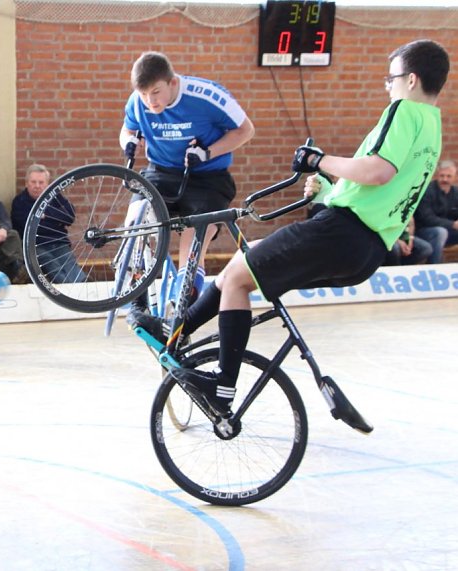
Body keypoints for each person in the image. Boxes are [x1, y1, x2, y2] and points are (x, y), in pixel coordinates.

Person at [141, 39, 449, 418]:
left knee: (237, 277)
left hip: (340, 232)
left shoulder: (403, 110)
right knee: (244, 257)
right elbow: (381, 188)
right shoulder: (434, 129)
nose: (388, 86)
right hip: (364, 249)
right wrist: (328, 187)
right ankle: (176, 330)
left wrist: (320, 159)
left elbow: (377, 170)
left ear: (412, 79)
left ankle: (221, 388)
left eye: (392, 78)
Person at [121, 51, 254, 323]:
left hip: (207, 177)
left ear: (172, 82)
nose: (151, 101)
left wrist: (209, 152)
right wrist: (129, 142)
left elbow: (245, 130)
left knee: (194, 238)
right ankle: (138, 295)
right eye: (144, 94)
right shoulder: (138, 102)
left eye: (156, 92)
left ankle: (182, 309)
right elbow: (128, 130)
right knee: (136, 219)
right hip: (160, 171)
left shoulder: (207, 96)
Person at [11, 164, 87, 283]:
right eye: (33, 182)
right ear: (26, 183)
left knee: (70, 265)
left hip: (58, 242)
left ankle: (83, 290)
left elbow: (69, 216)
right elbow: (26, 225)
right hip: (36, 246)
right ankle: (68, 293)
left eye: (41, 182)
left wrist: (45, 215)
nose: (37, 186)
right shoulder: (19, 202)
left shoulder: (55, 197)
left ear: (47, 184)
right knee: (54, 267)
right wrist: (56, 220)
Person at [413, 159, 458, 262]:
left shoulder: (456, 193)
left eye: (449, 176)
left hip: (448, 232)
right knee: (440, 232)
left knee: (443, 232)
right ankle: (435, 267)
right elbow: (427, 219)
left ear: (455, 177)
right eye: (442, 175)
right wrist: (453, 224)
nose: (445, 179)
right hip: (424, 232)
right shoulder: (427, 191)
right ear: (437, 175)